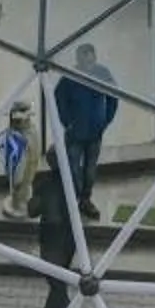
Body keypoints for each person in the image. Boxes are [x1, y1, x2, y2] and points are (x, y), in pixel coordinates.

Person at [52, 45, 121, 220]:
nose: (88, 65)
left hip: (95, 133)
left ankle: (85, 200)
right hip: (75, 133)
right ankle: (75, 200)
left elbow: (114, 96)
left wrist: (106, 120)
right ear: (78, 61)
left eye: (91, 60)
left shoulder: (102, 73)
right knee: (74, 169)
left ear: (95, 59)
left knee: (90, 170)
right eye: (85, 61)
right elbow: (58, 97)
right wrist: (67, 122)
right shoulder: (70, 77)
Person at [33, 148, 86, 308]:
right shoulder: (74, 182)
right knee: (58, 280)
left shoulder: (44, 185)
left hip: (52, 239)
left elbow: (32, 210)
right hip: (69, 239)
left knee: (57, 282)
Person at [0, 101, 36, 217]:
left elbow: (33, 155)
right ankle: (17, 204)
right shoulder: (15, 134)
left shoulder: (29, 132)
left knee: (24, 184)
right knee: (18, 184)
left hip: (27, 166)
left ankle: (21, 203)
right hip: (19, 168)